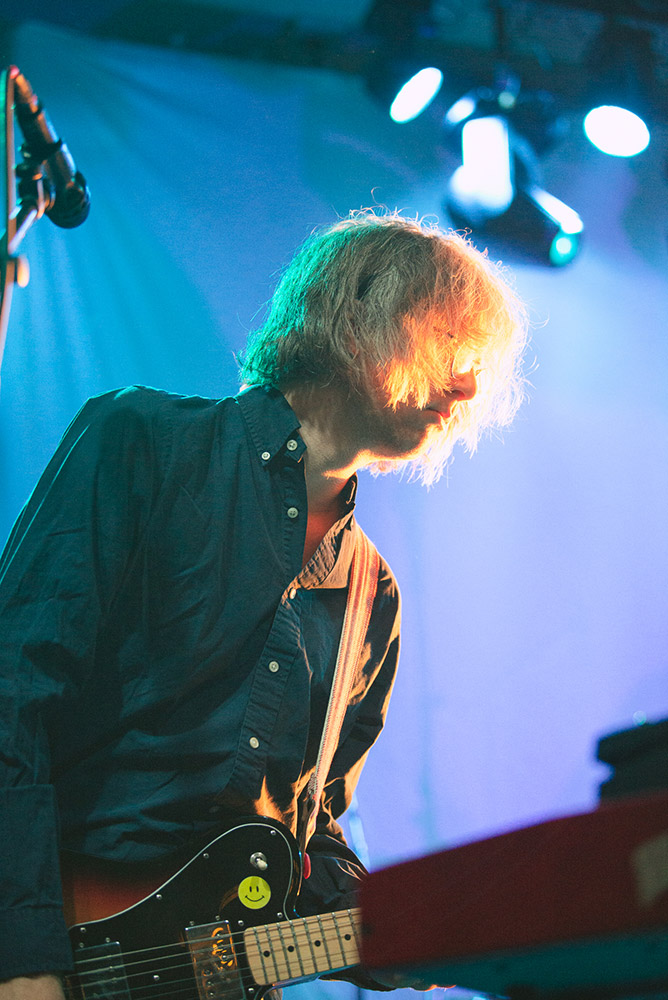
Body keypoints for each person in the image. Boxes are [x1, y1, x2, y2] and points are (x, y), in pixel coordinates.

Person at [0, 211, 528, 999]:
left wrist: (396, 929)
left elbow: (305, 841)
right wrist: (23, 959)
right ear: (359, 318)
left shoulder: (372, 595)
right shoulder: (141, 442)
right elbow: (13, 702)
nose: (470, 385)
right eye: (454, 344)